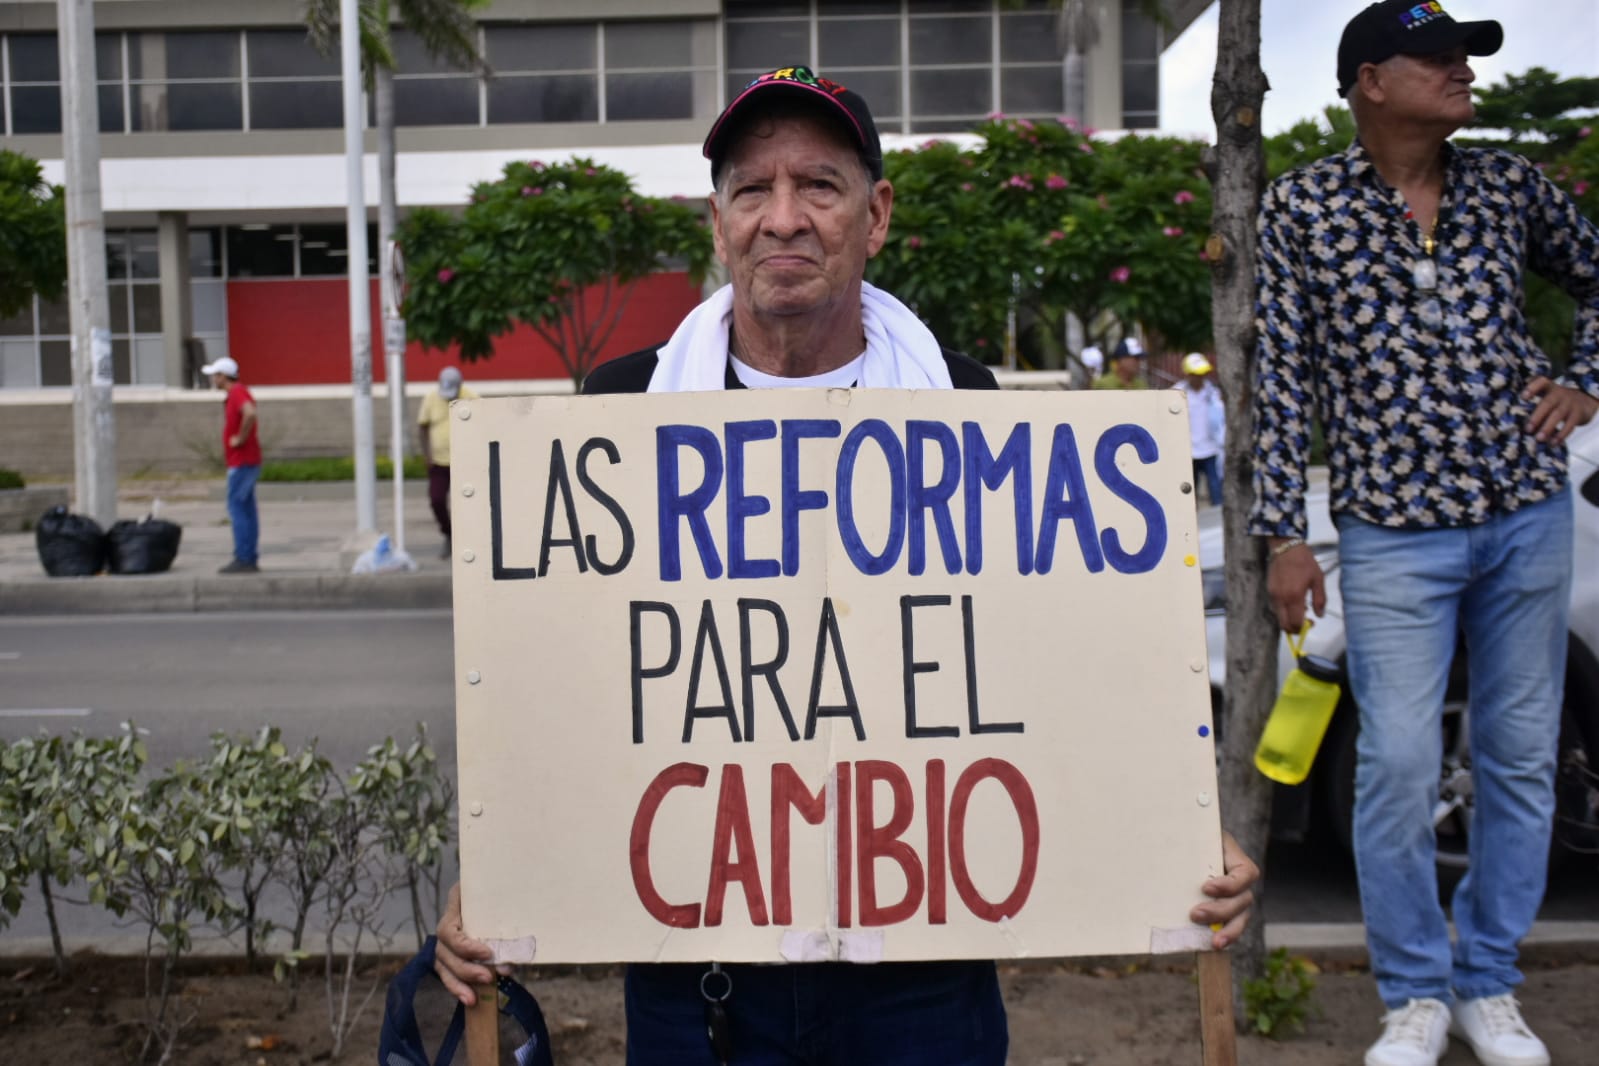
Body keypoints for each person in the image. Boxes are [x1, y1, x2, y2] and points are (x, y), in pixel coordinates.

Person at [434, 63, 1260, 1065]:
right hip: (698, 972)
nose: (784, 218)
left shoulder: (965, 403)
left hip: (923, 976)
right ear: (719, 221)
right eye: (753, 189)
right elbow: (557, 678)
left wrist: (1176, 820)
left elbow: (1055, 657)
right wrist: (499, 860)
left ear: (875, 216)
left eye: (819, 186)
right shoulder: (623, 406)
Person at [1251, 4, 1599, 1066]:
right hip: (1394, 530)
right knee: (1398, 764)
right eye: (1436, 58)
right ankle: (1412, 991)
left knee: (1519, 759)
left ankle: (1488, 982)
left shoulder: (1510, 185)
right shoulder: (1302, 207)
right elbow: (1279, 376)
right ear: (1369, 81)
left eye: (1467, 57)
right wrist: (1281, 535)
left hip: (1528, 515)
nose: (1460, 72)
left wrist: (1583, 381)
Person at [202, 355, 261, 574]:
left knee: (237, 509)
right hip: (246, 461)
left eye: (215, 375)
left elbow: (250, 413)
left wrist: (240, 438)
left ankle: (244, 558)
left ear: (224, 376)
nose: (213, 380)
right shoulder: (236, 393)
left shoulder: (237, 392)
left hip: (242, 462)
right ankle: (249, 557)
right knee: (246, 510)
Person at [417, 366, 477, 558]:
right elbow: (423, 428)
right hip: (439, 463)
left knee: (469, 504)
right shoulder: (431, 399)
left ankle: (469, 541)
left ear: (460, 385)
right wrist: (427, 456)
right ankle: (449, 533)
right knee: (436, 500)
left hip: (465, 462)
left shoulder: (472, 397)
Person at [1175, 353, 1225, 506]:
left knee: (1216, 489)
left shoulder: (1212, 393)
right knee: (1188, 492)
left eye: (1202, 374)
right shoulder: (1177, 393)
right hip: (1188, 451)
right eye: (1196, 374)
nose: (1199, 377)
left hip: (1210, 449)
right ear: (1188, 374)